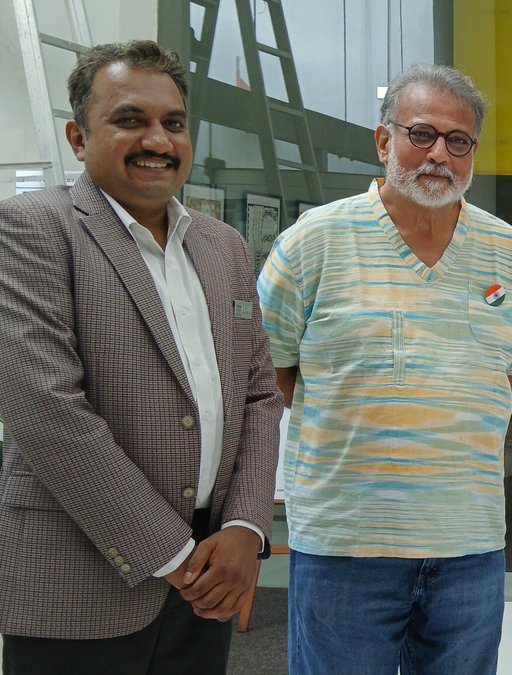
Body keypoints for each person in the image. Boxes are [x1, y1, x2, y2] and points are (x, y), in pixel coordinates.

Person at [0, 40, 281, 674]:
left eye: (173, 123)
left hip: (212, 569)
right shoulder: (32, 227)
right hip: (79, 579)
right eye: (130, 120)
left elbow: (260, 394)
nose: (158, 140)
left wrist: (245, 529)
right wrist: (172, 554)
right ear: (79, 137)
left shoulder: (223, 246)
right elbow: (46, 411)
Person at [257, 63, 512, 675]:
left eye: (458, 141)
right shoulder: (314, 242)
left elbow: (508, 372)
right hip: (345, 544)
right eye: (422, 134)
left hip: (470, 546)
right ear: (384, 141)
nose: (440, 154)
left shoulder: (508, 251)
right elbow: (270, 372)